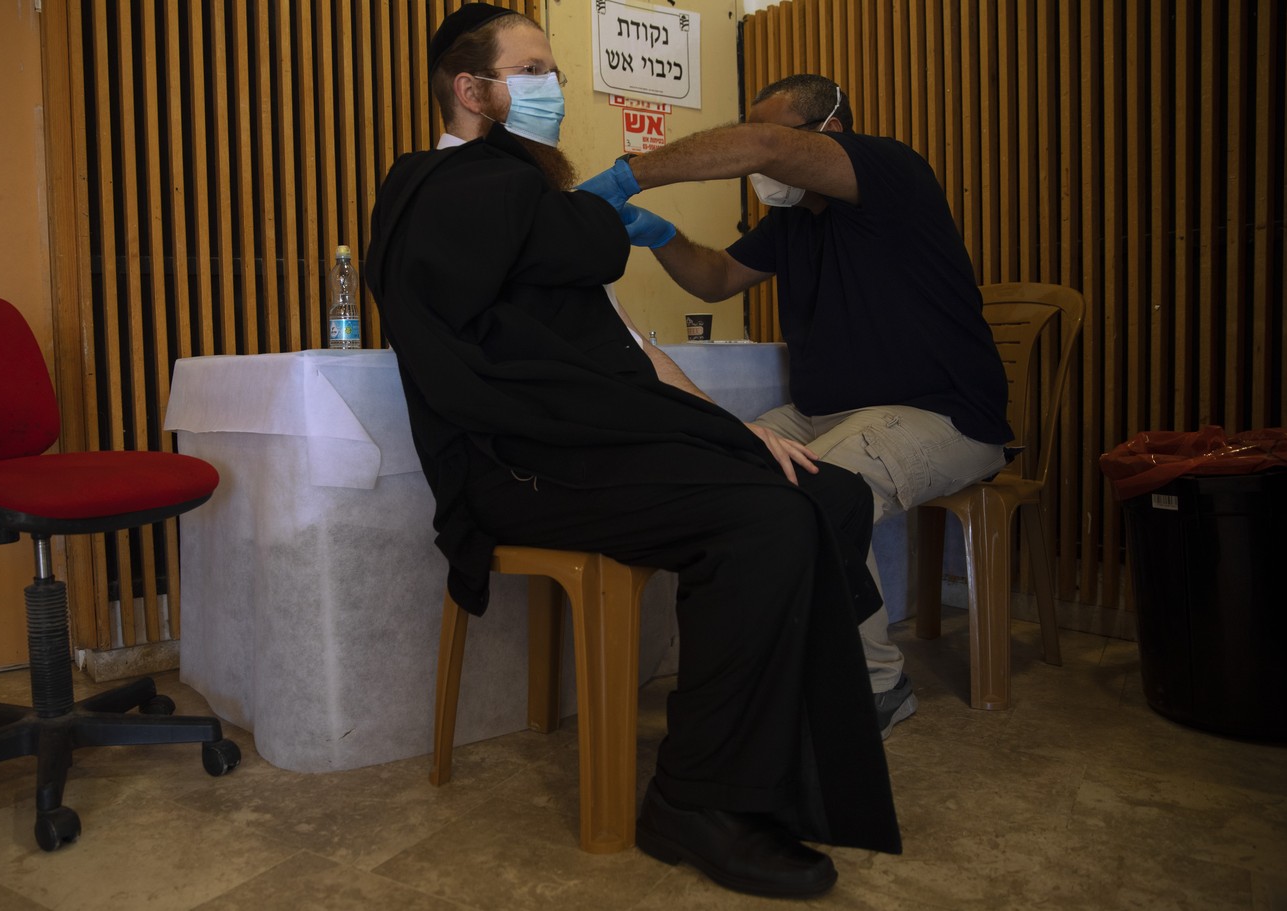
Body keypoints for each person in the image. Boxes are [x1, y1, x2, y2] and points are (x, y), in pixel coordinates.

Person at [364, 5, 900, 899]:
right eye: (532, 71)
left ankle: (788, 772)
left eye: (555, 73)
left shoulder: (531, 205)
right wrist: (585, 224)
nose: (553, 89)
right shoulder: (439, 191)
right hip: (522, 464)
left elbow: (630, 353)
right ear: (471, 89)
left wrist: (737, 432)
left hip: (591, 446)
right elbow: (492, 366)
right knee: (760, 520)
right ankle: (696, 799)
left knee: (817, 489)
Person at [578, 74, 1014, 738]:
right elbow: (718, 277)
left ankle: (876, 683)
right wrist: (657, 232)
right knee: (713, 457)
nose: (762, 157)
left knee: (819, 487)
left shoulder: (890, 172)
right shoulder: (791, 222)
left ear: (831, 134)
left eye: (781, 136)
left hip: (944, 414)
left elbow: (756, 146)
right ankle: (766, 663)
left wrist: (629, 175)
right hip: (825, 414)